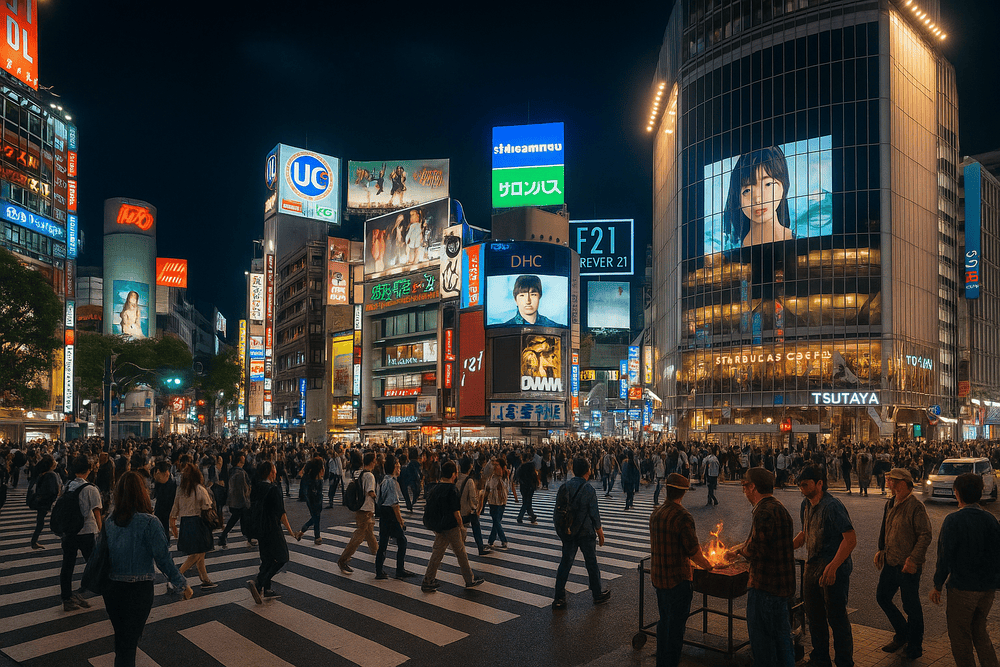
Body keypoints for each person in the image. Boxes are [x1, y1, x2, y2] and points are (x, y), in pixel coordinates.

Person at [104, 471, 193, 667]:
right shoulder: (150, 522)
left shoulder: (110, 521)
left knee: (122, 640)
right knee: (129, 642)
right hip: (139, 589)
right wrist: (181, 583)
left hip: (112, 589)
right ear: (142, 493)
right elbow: (163, 559)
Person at [930, 472, 1000, 667]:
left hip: (963, 588)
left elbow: (945, 556)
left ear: (957, 493)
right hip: (987, 589)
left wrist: (937, 584)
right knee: (979, 631)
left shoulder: (953, 521)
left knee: (960, 635)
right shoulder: (991, 520)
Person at [793, 465, 857, 667]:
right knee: (814, 615)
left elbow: (850, 539)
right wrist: (785, 548)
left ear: (819, 484)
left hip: (834, 567)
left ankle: (844, 662)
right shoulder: (805, 505)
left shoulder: (832, 506)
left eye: (805, 485)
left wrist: (833, 567)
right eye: (800, 486)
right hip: (812, 566)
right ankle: (820, 658)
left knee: (837, 618)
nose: (802, 489)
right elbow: (805, 533)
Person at [649, 473, 714, 667]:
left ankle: (662, 662)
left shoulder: (656, 513)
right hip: (678, 581)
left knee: (664, 623)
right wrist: (708, 565)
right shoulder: (683, 516)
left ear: (667, 491)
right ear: (683, 493)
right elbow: (693, 551)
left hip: (659, 578)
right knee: (676, 630)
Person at [735, 467, 796, 667]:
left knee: (762, 643)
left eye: (745, 487)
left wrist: (739, 551)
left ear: (753, 487)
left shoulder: (763, 511)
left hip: (765, 587)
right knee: (783, 639)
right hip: (783, 586)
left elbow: (755, 550)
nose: (744, 492)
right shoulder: (780, 508)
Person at [874, 467, 932, 660]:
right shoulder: (891, 503)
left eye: (892, 481)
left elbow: (925, 535)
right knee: (882, 596)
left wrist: (913, 559)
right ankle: (902, 632)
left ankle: (915, 645)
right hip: (891, 561)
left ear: (902, 484)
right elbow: (885, 528)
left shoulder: (915, 507)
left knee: (911, 606)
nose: (889, 483)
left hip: (908, 566)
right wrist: (881, 549)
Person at [552, 457, 610, 609]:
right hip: (585, 532)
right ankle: (597, 594)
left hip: (569, 532)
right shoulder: (588, 489)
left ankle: (559, 598)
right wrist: (600, 531)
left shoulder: (564, 487)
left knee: (565, 563)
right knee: (591, 563)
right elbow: (594, 513)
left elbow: (558, 511)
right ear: (587, 471)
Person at [420, 461, 484, 592]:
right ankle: (469, 579)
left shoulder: (435, 488)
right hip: (451, 526)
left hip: (439, 526)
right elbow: (456, 513)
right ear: (454, 474)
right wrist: (461, 528)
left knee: (437, 553)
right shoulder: (452, 490)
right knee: (461, 553)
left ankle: (428, 579)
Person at [246, 461, 301, 603]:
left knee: (266, 559)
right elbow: (281, 514)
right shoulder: (274, 489)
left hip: (259, 528)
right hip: (272, 528)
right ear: (271, 472)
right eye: (274, 469)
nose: (276, 471)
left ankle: (265, 589)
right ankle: (260, 581)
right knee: (282, 557)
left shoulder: (256, 487)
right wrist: (291, 532)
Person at [721, 146, 793, 250]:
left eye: (768, 184)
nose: (758, 200)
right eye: (747, 190)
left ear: (784, 186)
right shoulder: (732, 251)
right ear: (738, 198)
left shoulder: (800, 242)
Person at [60, 455, 103, 611]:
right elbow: (97, 513)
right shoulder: (91, 489)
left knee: (67, 565)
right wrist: (101, 532)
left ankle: (67, 598)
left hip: (69, 532)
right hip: (87, 531)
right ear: (89, 470)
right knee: (93, 565)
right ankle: (84, 591)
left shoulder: (67, 485)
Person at [169, 464, 217, 591]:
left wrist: (173, 523)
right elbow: (207, 506)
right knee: (197, 553)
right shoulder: (199, 489)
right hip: (198, 522)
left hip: (185, 522)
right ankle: (176, 576)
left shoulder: (180, 490)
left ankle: (205, 579)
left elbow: (175, 507)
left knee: (200, 552)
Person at [374, 454, 414, 580]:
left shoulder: (383, 480)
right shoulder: (391, 482)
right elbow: (394, 505)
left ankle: (379, 570)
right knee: (402, 541)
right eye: (398, 466)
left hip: (384, 514)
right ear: (394, 467)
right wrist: (401, 521)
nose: (400, 468)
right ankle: (399, 569)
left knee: (383, 543)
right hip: (391, 514)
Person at [337, 451, 378, 574]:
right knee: (359, 536)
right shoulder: (369, 476)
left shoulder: (359, 473)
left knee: (369, 531)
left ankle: (377, 552)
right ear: (372, 462)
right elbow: (370, 491)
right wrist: (377, 498)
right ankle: (343, 559)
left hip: (361, 507)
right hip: (366, 508)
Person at [457, 458, 490, 556]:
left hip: (457, 510)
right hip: (467, 511)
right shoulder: (469, 481)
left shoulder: (456, 478)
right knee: (476, 527)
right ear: (470, 467)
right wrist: (478, 505)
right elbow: (473, 498)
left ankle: (459, 549)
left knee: (457, 530)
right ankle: (480, 548)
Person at [219, 452, 251, 548]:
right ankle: (248, 536)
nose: (245, 458)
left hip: (233, 500)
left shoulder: (232, 471)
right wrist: (246, 501)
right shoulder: (240, 473)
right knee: (241, 519)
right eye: (243, 456)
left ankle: (224, 536)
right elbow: (243, 489)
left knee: (236, 519)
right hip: (240, 501)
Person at [28, 454, 59, 549]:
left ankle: (34, 541)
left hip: (42, 502)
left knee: (40, 522)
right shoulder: (51, 475)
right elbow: (51, 490)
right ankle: (34, 541)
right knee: (53, 522)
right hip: (47, 503)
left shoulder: (43, 473)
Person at [485, 457, 515, 549]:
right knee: (496, 521)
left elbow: (508, 487)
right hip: (493, 502)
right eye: (494, 465)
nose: (495, 467)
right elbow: (486, 472)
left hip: (502, 501)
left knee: (496, 521)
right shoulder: (492, 477)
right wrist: (491, 461)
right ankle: (503, 539)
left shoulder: (506, 475)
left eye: (497, 465)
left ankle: (491, 541)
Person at [298, 458, 325, 545]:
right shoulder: (317, 480)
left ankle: (315, 535)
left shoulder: (310, 478)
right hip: (315, 500)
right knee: (316, 517)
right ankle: (314, 535)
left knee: (316, 517)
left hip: (311, 500)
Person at [515, 451, 539, 524]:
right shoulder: (531, 466)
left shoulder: (521, 467)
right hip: (530, 486)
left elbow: (517, 476)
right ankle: (520, 517)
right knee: (527, 502)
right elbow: (534, 476)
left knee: (526, 501)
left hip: (523, 487)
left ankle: (532, 516)